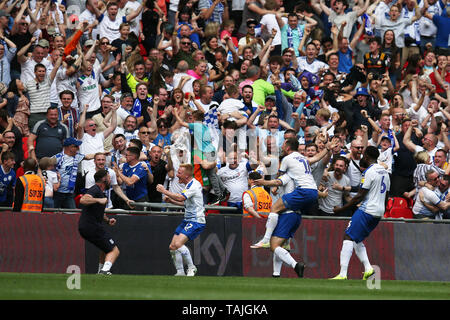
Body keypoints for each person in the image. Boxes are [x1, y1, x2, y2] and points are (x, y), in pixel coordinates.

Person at [252, 138, 324, 278]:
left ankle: (295, 264)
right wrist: (321, 194)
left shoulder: (288, 172)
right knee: (281, 246)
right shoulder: (300, 166)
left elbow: (278, 180)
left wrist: (266, 183)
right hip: (296, 214)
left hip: (288, 214)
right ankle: (276, 274)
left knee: (274, 244)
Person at [331, 146, 390, 280]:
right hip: (378, 211)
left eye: (364, 155)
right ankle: (368, 269)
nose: (362, 157)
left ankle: (342, 274)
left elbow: (359, 196)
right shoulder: (385, 172)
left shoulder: (369, 172)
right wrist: (383, 210)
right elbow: (386, 195)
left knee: (348, 236)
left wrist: (341, 209)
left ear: (367, 157)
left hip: (367, 209)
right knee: (357, 239)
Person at [156, 164, 205, 276]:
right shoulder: (188, 185)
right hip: (187, 220)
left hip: (196, 220)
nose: (177, 175)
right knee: (172, 246)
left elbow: (181, 197)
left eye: (179, 173)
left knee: (178, 244)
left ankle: (192, 267)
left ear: (187, 175)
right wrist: (171, 201)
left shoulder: (194, 185)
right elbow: (184, 202)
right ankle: (180, 272)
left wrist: (164, 191)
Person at [79, 169, 120, 275]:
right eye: (109, 177)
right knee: (114, 250)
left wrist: (107, 220)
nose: (111, 180)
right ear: (104, 179)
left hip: (88, 226)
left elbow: (98, 212)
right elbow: (83, 200)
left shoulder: (100, 192)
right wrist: (98, 200)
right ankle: (105, 271)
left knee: (105, 248)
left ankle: (100, 271)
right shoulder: (95, 190)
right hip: (91, 226)